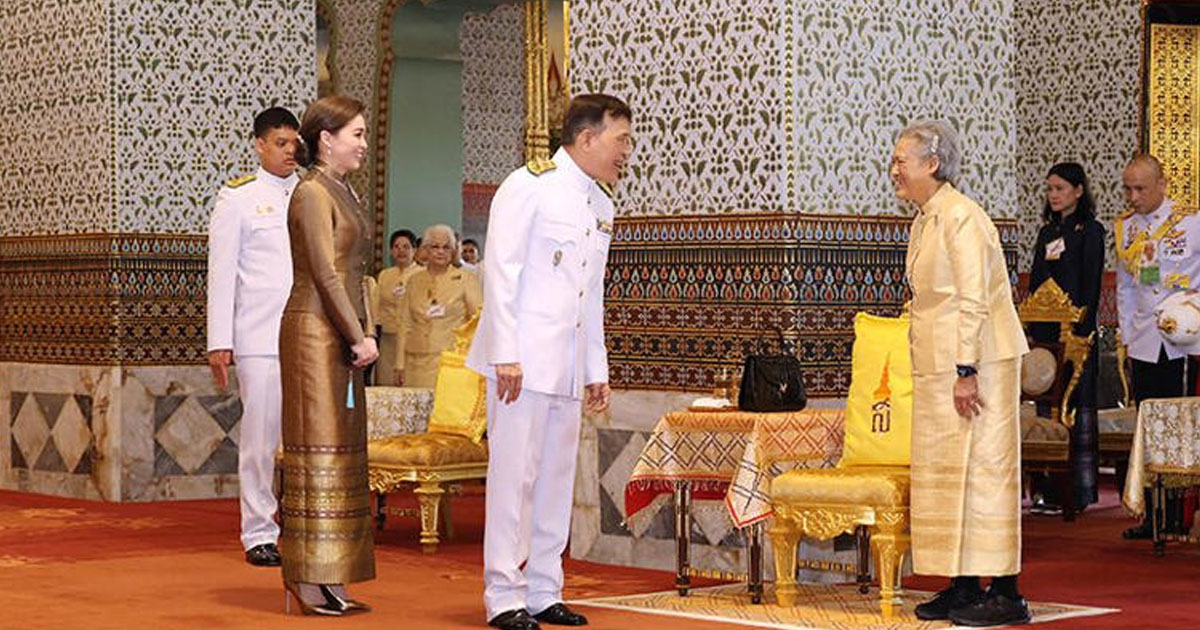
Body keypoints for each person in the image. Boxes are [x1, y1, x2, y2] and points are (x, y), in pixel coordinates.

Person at [466, 94, 632, 630]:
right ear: (587, 137)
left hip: (566, 364)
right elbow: (501, 272)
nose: (626, 152)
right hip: (522, 361)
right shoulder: (528, 186)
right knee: (514, 479)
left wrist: (595, 369)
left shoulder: (600, 204)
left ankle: (543, 590)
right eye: (621, 139)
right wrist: (506, 353)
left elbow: (590, 295)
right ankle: (503, 595)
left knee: (555, 481)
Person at [895, 120, 1031, 627]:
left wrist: (967, 369)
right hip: (941, 365)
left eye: (901, 160)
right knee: (948, 475)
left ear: (932, 164)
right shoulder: (925, 219)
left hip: (981, 363)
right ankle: (964, 585)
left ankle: (1007, 593)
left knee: (986, 473)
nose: (894, 170)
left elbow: (973, 298)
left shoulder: (963, 217)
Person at [278, 95, 379, 616]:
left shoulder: (346, 190)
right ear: (326, 139)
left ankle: (331, 570)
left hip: (342, 332)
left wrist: (365, 331)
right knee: (317, 446)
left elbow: (357, 274)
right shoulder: (312, 192)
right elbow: (324, 272)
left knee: (342, 447)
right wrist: (357, 336)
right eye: (356, 134)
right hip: (314, 333)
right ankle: (304, 574)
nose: (364, 143)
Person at [206, 106, 301, 568]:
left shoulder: (312, 193)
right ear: (260, 145)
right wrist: (219, 341)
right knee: (260, 440)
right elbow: (222, 273)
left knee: (310, 439)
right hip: (261, 336)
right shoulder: (238, 198)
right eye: (280, 143)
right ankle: (259, 532)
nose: (289, 151)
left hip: (309, 336)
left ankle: (307, 523)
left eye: (294, 143)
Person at [1115, 154, 1200, 539]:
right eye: (1128, 189)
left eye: (1141, 189)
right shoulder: (1126, 228)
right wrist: (1127, 336)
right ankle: (1152, 515)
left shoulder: (1190, 223)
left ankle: (1178, 514)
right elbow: (1125, 288)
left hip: (1183, 341)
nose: (1133, 197)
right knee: (1148, 428)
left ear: (1162, 185)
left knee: (1178, 426)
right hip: (1144, 340)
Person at [1027, 163, 1105, 515]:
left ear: (1078, 190)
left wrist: (1081, 329)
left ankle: (1079, 491)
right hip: (1046, 335)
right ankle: (1045, 490)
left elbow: (1091, 283)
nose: (1053, 195)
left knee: (1076, 408)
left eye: (1060, 188)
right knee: (1046, 408)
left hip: (1076, 334)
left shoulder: (1090, 231)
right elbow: (1036, 281)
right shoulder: (1048, 232)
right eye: (1049, 189)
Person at [395, 224, 482, 388]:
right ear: (425, 250)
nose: (441, 252)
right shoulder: (414, 281)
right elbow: (404, 324)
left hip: (450, 362)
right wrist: (399, 364)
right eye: (435, 247)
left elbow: (477, 322)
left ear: (453, 251)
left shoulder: (466, 280)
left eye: (446, 247)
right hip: (414, 363)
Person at [376, 229, 420, 385]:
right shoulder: (385, 275)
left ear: (414, 250)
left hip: (411, 339)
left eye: (406, 247)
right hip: (387, 338)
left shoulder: (421, 275)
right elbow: (377, 305)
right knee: (386, 383)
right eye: (396, 246)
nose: (401, 251)